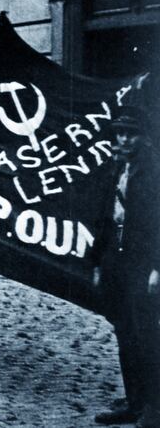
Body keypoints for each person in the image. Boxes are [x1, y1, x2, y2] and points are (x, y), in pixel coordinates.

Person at [93, 107, 160, 427]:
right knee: (124, 332)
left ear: (143, 137)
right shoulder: (114, 168)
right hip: (115, 261)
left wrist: (157, 269)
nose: (123, 139)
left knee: (146, 333)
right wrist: (96, 261)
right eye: (119, 133)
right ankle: (134, 401)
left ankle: (154, 405)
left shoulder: (155, 171)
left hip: (144, 264)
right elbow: (102, 218)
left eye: (130, 134)